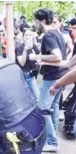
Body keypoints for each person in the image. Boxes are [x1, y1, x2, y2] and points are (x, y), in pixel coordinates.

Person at [34, 9, 68, 152]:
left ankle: (52, 142)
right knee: (53, 108)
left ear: (42, 21)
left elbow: (58, 56)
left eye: (36, 22)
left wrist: (39, 57)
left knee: (43, 109)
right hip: (60, 75)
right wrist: (45, 63)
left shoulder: (48, 36)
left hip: (52, 78)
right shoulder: (58, 33)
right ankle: (52, 136)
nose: (35, 24)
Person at [15, 28, 40, 101]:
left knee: (36, 97)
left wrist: (36, 55)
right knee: (27, 98)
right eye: (26, 35)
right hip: (24, 75)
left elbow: (39, 59)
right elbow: (22, 63)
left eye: (30, 35)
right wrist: (25, 50)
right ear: (23, 37)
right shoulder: (19, 48)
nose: (28, 37)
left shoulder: (34, 47)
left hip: (33, 74)